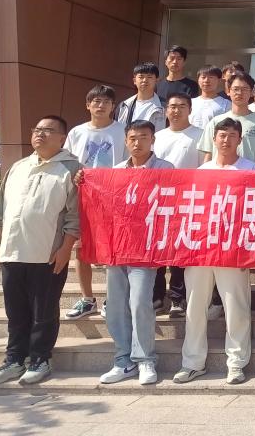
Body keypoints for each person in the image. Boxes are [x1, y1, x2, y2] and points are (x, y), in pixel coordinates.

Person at [0, 116, 79, 386]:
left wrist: (65, 248)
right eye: (37, 130)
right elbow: (1, 209)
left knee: (43, 312)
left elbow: (76, 215)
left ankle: (40, 359)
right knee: (16, 312)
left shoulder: (71, 169)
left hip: (46, 254)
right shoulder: (18, 167)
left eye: (48, 130)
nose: (40, 134)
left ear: (62, 138)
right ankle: (14, 359)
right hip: (12, 251)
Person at [174, 118, 255, 385]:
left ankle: (236, 363)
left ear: (240, 139)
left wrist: (248, 250)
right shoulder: (202, 171)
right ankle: (193, 362)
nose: (226, 140)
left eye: (232, 135)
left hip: (233, 248)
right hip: (201, 247)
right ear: (213, 138)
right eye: (222, 134)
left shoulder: (249, 169)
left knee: (236, 307)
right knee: (195, 306)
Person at [100, 120, 171, 386]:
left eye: (143, 137)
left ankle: (145, 359)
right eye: (132, 138)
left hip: (146, 247)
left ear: (153, 140)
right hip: (118, 246)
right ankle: (123, 360)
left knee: (140, 301)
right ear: (125, 141)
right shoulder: (116, 171)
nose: (137, 142)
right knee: (116, 304)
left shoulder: (165, 169)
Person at [63, 85, 127, 320]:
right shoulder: (77, 132)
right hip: (83, 197)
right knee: (81, 249)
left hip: (114, 197)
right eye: (96, 101)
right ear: (87, 105)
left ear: (113, 106)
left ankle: (112, 299)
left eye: (106, 102)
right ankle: (87, 299)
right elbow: (68, 163)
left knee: (112, 249)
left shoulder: (123, 131)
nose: (101, 106)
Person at [151, 92, 202, 317]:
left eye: (182, 106)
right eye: (172, 106)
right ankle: (156, 296)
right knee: (158, 249)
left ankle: (177, 298)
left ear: (190, 110)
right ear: (165, 110)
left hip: (188, 199)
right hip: (159, 200)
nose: (176, 110)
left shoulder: (200, 135)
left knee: (180, 251)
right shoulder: (156, 136)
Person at [198, 72, 255, 169]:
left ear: (252, 92)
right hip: (220, 175)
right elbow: (208, 153)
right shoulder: (216, 121)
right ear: (228, 91)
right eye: (236, 89)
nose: (239, 93)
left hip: (248, 174)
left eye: (244, 89)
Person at [116, 62, 166, 132]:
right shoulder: (123, 106)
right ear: (134, 81)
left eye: (149, 77)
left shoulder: (164, 106)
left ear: (156, 80)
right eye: (141, 77)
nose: (145, 80)